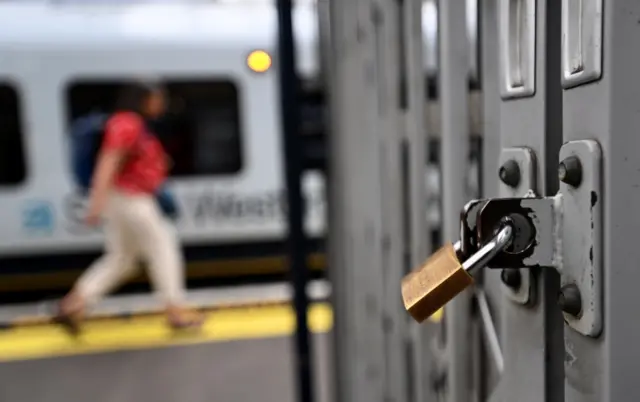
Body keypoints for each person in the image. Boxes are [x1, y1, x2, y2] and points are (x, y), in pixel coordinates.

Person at [56, 81, 203, 332]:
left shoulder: (131, 125)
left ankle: (74, 304)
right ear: (142, 99)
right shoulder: (127, 123)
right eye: (157, 98)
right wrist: (96, 201)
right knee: (163, 246)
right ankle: (175, 310)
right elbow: (109, 161)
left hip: (125, 198)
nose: (161, 104)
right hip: (131, 198)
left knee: (121, 258)